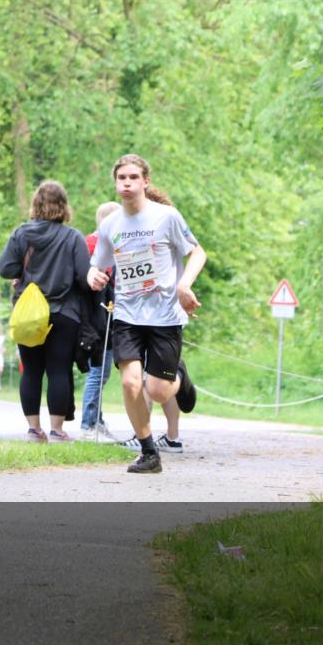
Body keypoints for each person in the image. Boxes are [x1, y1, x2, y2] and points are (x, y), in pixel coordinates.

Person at [88, 154, 206, 473]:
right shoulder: (110, 224)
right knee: (130, 384)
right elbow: (97, 264)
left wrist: (184, 285)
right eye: (121, 178)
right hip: (127, 315)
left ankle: (179, 378)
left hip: (165, 315)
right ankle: (149, 452)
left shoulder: (166, 217)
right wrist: (93, 276)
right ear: (116, 183)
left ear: (145, 181)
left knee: (158, 390)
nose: (127, 183)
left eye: (133, 177)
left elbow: (197, 252)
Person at [0, 180, 91, 443]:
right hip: (64, 312)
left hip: (29, 313)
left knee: (31, 370)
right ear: (63, 206)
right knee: (58, 370)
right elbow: (84, 277)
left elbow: (5, 268)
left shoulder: (22, 234)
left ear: (36, 204)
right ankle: (57, 430)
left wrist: (21, 273)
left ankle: (34, 430)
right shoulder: (73, 237)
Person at [79, 201, 121, 441]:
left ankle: (98, 420)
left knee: (102, 371)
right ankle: (88, 424)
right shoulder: (93, 246)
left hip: (106, 315)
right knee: (98, 371)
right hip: (97, 317)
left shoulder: (103, 245)